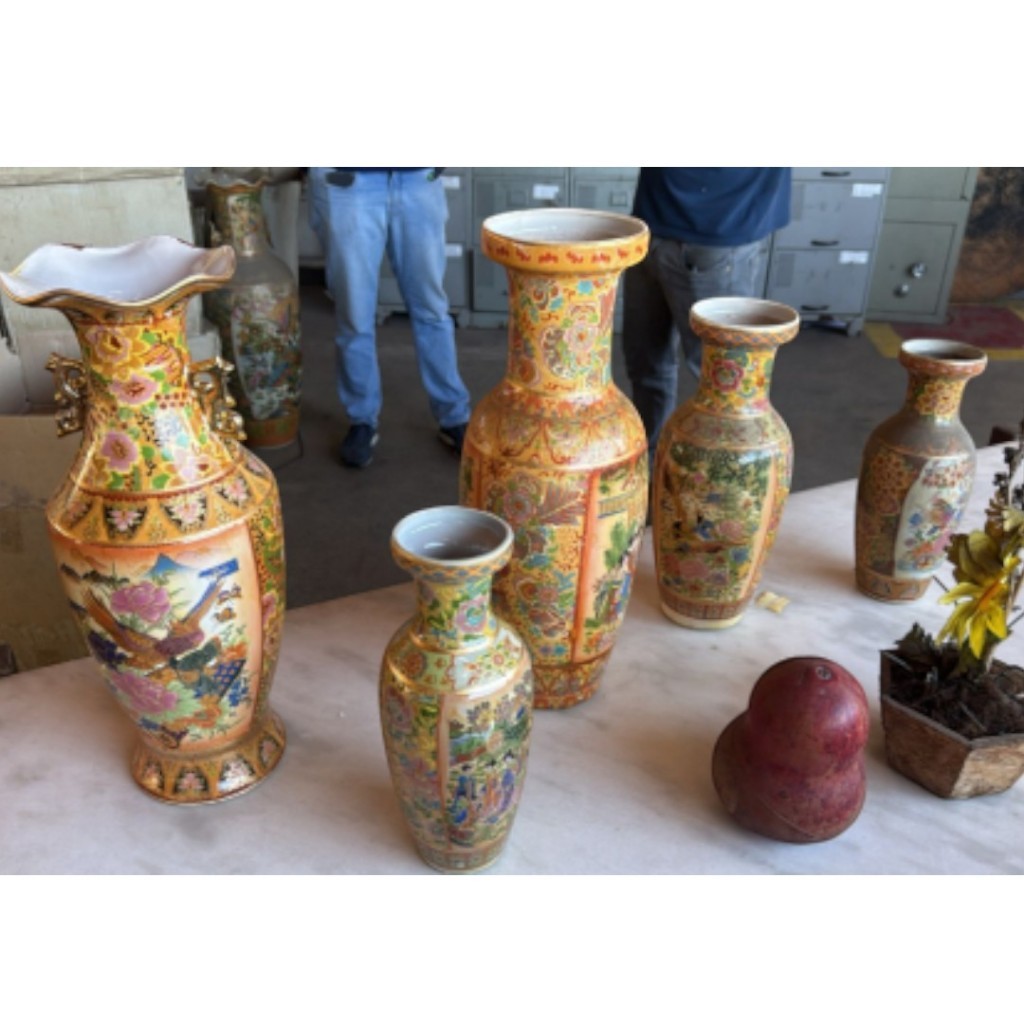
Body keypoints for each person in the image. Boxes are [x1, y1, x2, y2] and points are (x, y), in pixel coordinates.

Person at [307, 167, 473, 468]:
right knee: (355, 315)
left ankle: (454, 417)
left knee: (432, 310)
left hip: (417, 180)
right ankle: (361, 420)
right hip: (348, 182)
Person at [622, 168, 792, 457]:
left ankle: (723, 475)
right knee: (646, 361)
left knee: (725, 380)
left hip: (719, 234)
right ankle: (653, 461)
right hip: (652, 225)